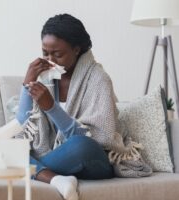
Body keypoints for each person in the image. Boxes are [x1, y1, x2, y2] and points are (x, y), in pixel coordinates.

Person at [15, 14, 151, 200]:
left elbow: (101, 138)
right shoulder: (46, 78)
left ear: (76, 49)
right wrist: (28, 81)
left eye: (58, 54)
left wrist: (52, 108)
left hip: (93, 159)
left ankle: (28, 167)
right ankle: (57, 180)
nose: (50, 59)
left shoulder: (98, 79)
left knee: (79, 145)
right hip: (57, 157)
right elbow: (23, 122)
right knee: (5, 148)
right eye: (45, 52)